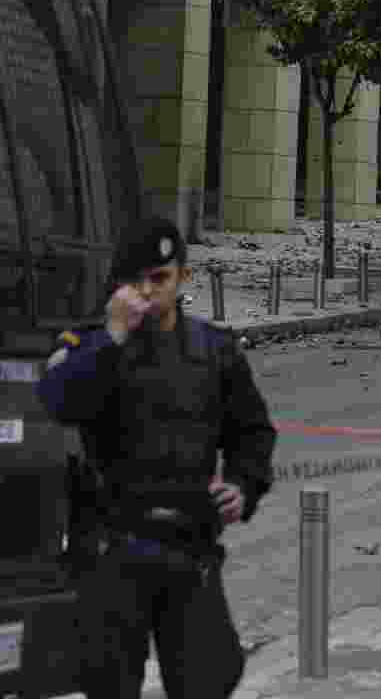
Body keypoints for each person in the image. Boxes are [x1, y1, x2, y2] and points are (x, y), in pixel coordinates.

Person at [36, 215, 276, 699]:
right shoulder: (93, 347)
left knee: (210, 676)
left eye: (161, 278)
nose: (149, 291)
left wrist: (243, 485)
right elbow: (60, 402)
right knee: (107, 681)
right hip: (114, 549)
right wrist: (114, 337)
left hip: (189, 548)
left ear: (182, 277)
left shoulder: (216, 352)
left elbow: (252, 434)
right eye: (137, 280)